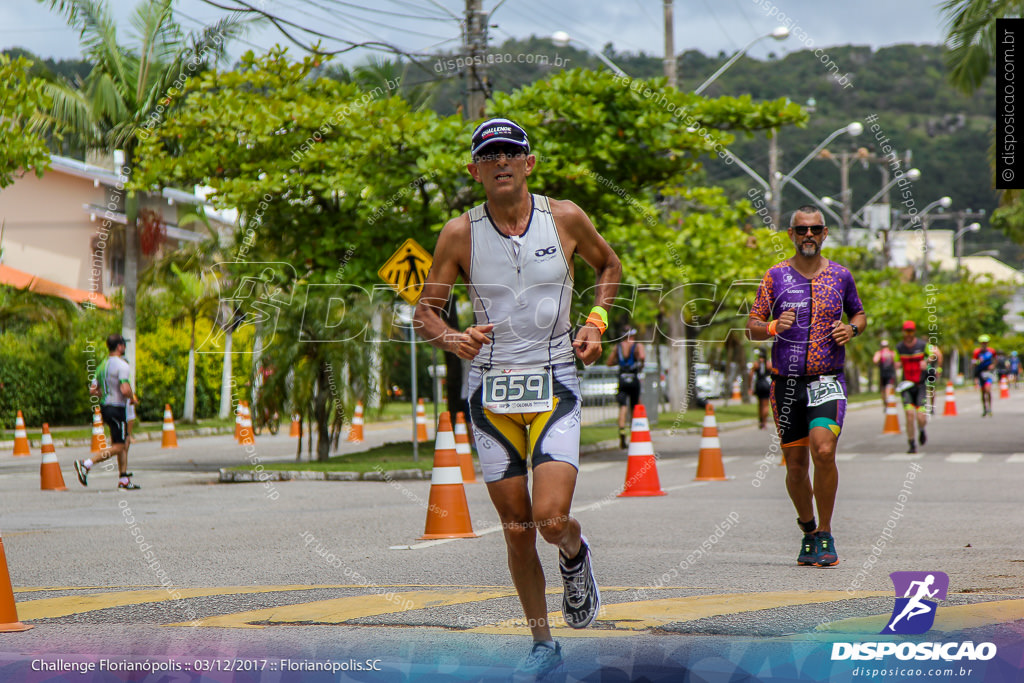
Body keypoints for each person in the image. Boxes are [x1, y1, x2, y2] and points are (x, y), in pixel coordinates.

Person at [413, 118, 621, 679]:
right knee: (516, 528)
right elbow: (424, 312)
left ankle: (575, 554)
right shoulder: (459, 233)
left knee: (551, 521)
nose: (501, 161)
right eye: (490, 154)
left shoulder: (566, 216)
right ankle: (541, 643)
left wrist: (596, 322)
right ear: (475, 169)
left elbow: (609, 266)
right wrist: (453, 338)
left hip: (554, 375)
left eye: (511, 152)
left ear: (529, 163)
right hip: (490, 387)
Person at [747, 206, 866, 568]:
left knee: (824, 450)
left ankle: (826, 532)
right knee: (796, 467)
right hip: (786, 384)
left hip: (827, 379)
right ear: (791, 235)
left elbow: (858, 312)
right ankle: (808, 530)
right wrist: (771, 327)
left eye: (815, 229)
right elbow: (752, 324)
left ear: (825, 232)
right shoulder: (775, 277)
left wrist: (853, 329)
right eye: (802, 230)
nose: (808, 235)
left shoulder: (841, 276)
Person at [76, 334, 141, 490]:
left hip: (106, 407)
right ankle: (86, 464)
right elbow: (125, 389)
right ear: (119, 347)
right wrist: (132, 398)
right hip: (117, 408)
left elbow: (93, 390)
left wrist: (106, 393)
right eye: (123, 345)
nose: (124, 347)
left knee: (122, 442)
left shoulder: (102, 366)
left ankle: (124, 478)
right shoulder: (122, 365)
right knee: (119, 447)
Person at [606, 327, 645, 448]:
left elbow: (609, 362)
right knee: (635, 406)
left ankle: (622, 432)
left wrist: (619, 362)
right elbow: (642, 357)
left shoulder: (618, 347)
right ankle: (635, 433)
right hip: (633, 378)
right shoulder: (638, 345)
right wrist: (640, 365)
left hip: (622, 379)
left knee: (622, 407)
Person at [895, 321, 928, 453]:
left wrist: (928, 362)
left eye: (911, 331)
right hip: (906, 386)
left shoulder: (923, 345)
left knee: (920, 416)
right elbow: (896, 361)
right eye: (906, 331)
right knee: (909, 414)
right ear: (903, 332)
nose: (908, 334)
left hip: (920, 385)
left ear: (914, 332)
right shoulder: (899, 348)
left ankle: (921, 430)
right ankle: (912, 443)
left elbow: (936, 354)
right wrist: (896, 366)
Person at [748, 348, 772, 429]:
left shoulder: (756, 364)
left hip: (759, 384)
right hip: (766, 384)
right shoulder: (769, 364)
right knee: (765, 405)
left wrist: (750, 387)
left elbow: (750, 375)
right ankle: (764, 422)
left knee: (760, 404)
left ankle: (761, 421)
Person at [972, 334, 996, 416]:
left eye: (985, 342)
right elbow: (973, 363)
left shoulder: (991, 351)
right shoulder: (977, 352)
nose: (984, 344)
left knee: (988, 390)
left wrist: (993, 365)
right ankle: (984, 409)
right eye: (982, 342)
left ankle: (990, 408)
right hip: (980, 372)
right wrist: (978, 361)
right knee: (983, 392)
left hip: (988, 372)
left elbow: (995, 360)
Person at [872, 339, 896, 412]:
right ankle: (888, 403)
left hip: (883, 374)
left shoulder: (879, 353)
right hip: (890, 374)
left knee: (884, 390)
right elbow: (896, 362)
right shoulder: (892, 353)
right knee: (887, 389)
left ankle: (886, 404)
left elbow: (875, 361)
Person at [924, 341, 943, 415]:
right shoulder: (933, 347)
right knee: (931, 389)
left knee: (927, 388)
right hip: (929, 370)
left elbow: (939, 356)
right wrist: (939, 369)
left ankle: (928, 406)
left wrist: (938, 369)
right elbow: (940, 356)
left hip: (928, 370)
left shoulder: (925, 346)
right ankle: (931, 407)